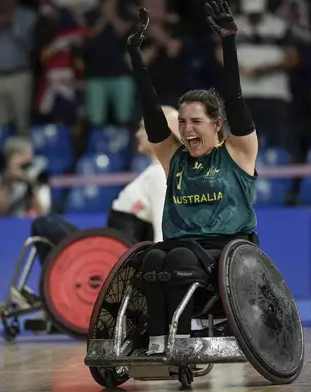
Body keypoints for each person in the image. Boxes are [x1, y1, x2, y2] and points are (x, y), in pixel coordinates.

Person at [126, 1, 259, 355]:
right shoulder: (175, 157)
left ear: (217, 124)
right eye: (182, 122)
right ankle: (157, 342)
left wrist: (228, 41)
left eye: (196, 122)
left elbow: (234, 96)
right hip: (179, 247)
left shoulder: (237, 152)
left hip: (225, 249)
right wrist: (136, 57)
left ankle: (181, 340)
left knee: (178, 259)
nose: (186, 130)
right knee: (152, 259)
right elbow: (150, 111)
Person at [30, 105, 181, 264]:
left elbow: (163, 229)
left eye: (143, 128)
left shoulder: (159, 174)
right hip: (109, 252)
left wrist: (160, 270)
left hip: (112, 260)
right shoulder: (155, 172)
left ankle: (56, 287)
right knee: (47, 223)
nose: (137, 134)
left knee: (44, 224)